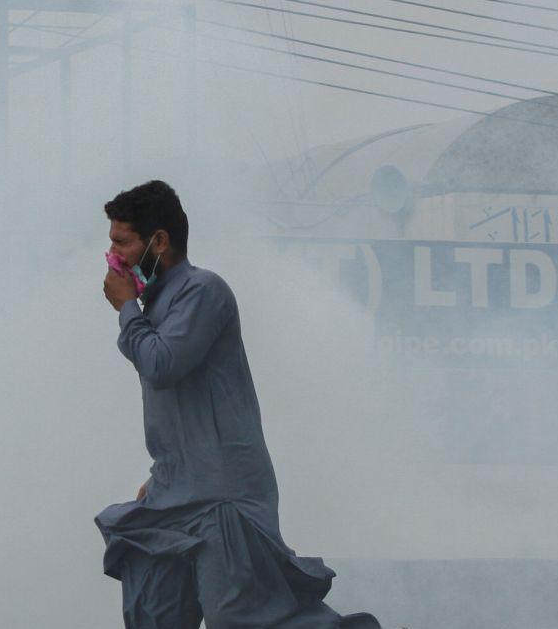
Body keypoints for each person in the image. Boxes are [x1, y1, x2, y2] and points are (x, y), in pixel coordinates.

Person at [97, 180, 381, 629]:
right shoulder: (155, 304)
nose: (113, 256)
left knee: (243, 619)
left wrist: (127, 309)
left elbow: (162, 364)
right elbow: (182, 407)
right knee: (152, 610)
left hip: (222, 494)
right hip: (174, 491)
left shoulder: (202, 291)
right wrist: (163, 475)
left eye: (122, 242)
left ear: (159, 241)